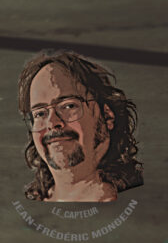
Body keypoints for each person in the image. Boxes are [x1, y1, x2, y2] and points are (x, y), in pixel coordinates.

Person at [17, 49, 144, 202]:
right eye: (40, 113)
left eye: (69, 106)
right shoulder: (31, 205)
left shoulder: (142, 202)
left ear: (107, 116)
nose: (52, 123)